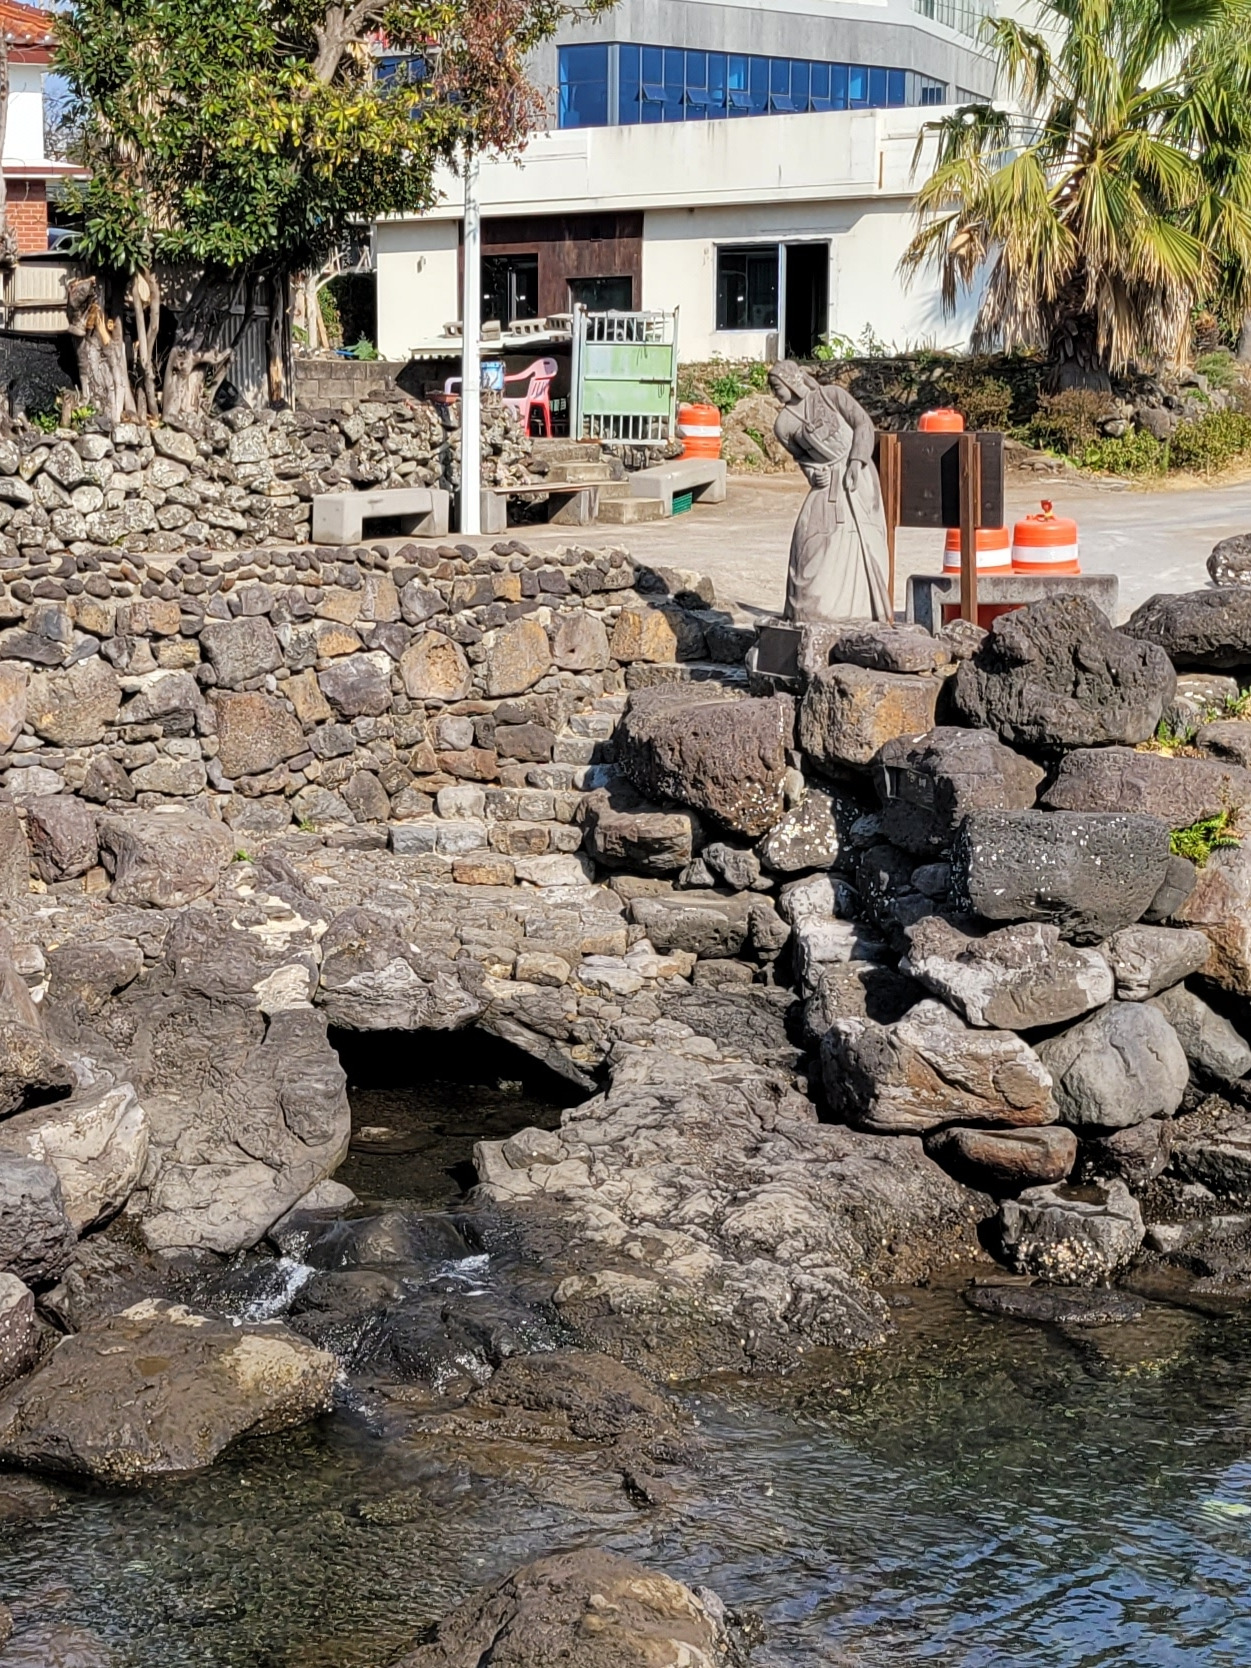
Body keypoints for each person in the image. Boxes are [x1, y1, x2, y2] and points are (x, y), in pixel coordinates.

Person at [769, 359, 892, 624]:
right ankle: (813, 609)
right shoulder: (783, 425)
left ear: (791, 380)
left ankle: (860, 610)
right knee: (808, 536)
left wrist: (857, 461)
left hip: (857, 474)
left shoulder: (831, 395)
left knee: (864, 539)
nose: (775, 393)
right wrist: (814, 474)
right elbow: (803, 459)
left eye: (777, 386)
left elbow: (863, 423)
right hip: (826, 482)